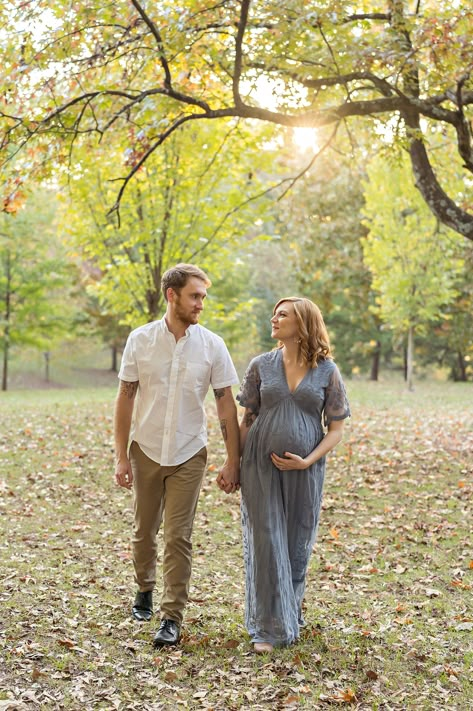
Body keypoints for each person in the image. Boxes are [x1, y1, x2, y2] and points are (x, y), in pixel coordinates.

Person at [114, 263, 240, 648]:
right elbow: (125, 398)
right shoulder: (140, 340)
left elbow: (225, 405)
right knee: (143, 532)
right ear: (172, 295)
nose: (201, 303)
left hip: (190, 452)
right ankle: (144, 589)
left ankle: (171, 616)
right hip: (146, 449)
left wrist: (232, 459)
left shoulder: (212, 345)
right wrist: (121, 456)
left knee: (178, 537)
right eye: (194, 296)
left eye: (203, 296)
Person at [237, 296, 350, 654]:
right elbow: (248, 419)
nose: (274, 318)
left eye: (282, 314)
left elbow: (335, 429)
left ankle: (290, 610)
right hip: (259, 465)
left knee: (296, 543)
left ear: (302, 324)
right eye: (274, 313)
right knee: (267, 540)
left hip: (306, 470)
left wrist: (307, 460)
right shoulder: (260, 366)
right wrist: (234, 464)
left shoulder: (327, 371)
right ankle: (267, 629)